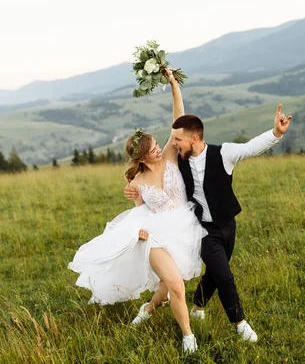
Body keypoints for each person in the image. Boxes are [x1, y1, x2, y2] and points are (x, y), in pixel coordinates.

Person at [125, 88, 292, 343]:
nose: (173, 144)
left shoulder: (223, 153)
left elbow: (250, 148)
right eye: (172, 141)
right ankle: (240, 324)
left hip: (228, 224)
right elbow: (147, 188)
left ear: (193, 139)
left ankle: (198, 306)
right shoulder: (177, 160)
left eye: (178, 140)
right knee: (224, 275)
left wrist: (276, 134)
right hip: (201, 229)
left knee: (215, 273)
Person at [68, 69, 206, 353]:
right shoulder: (137, 181)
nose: (158, 150)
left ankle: (148, 308)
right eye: (152, 149)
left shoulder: (169, 156)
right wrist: (140, 232)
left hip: (183, 228)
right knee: (177, 286)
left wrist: (174, 87)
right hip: (155, 236)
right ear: (140, 157)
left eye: (158, 145)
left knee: (167, 291)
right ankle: (188, 337)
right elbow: (139, 213)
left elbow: (178, 120)